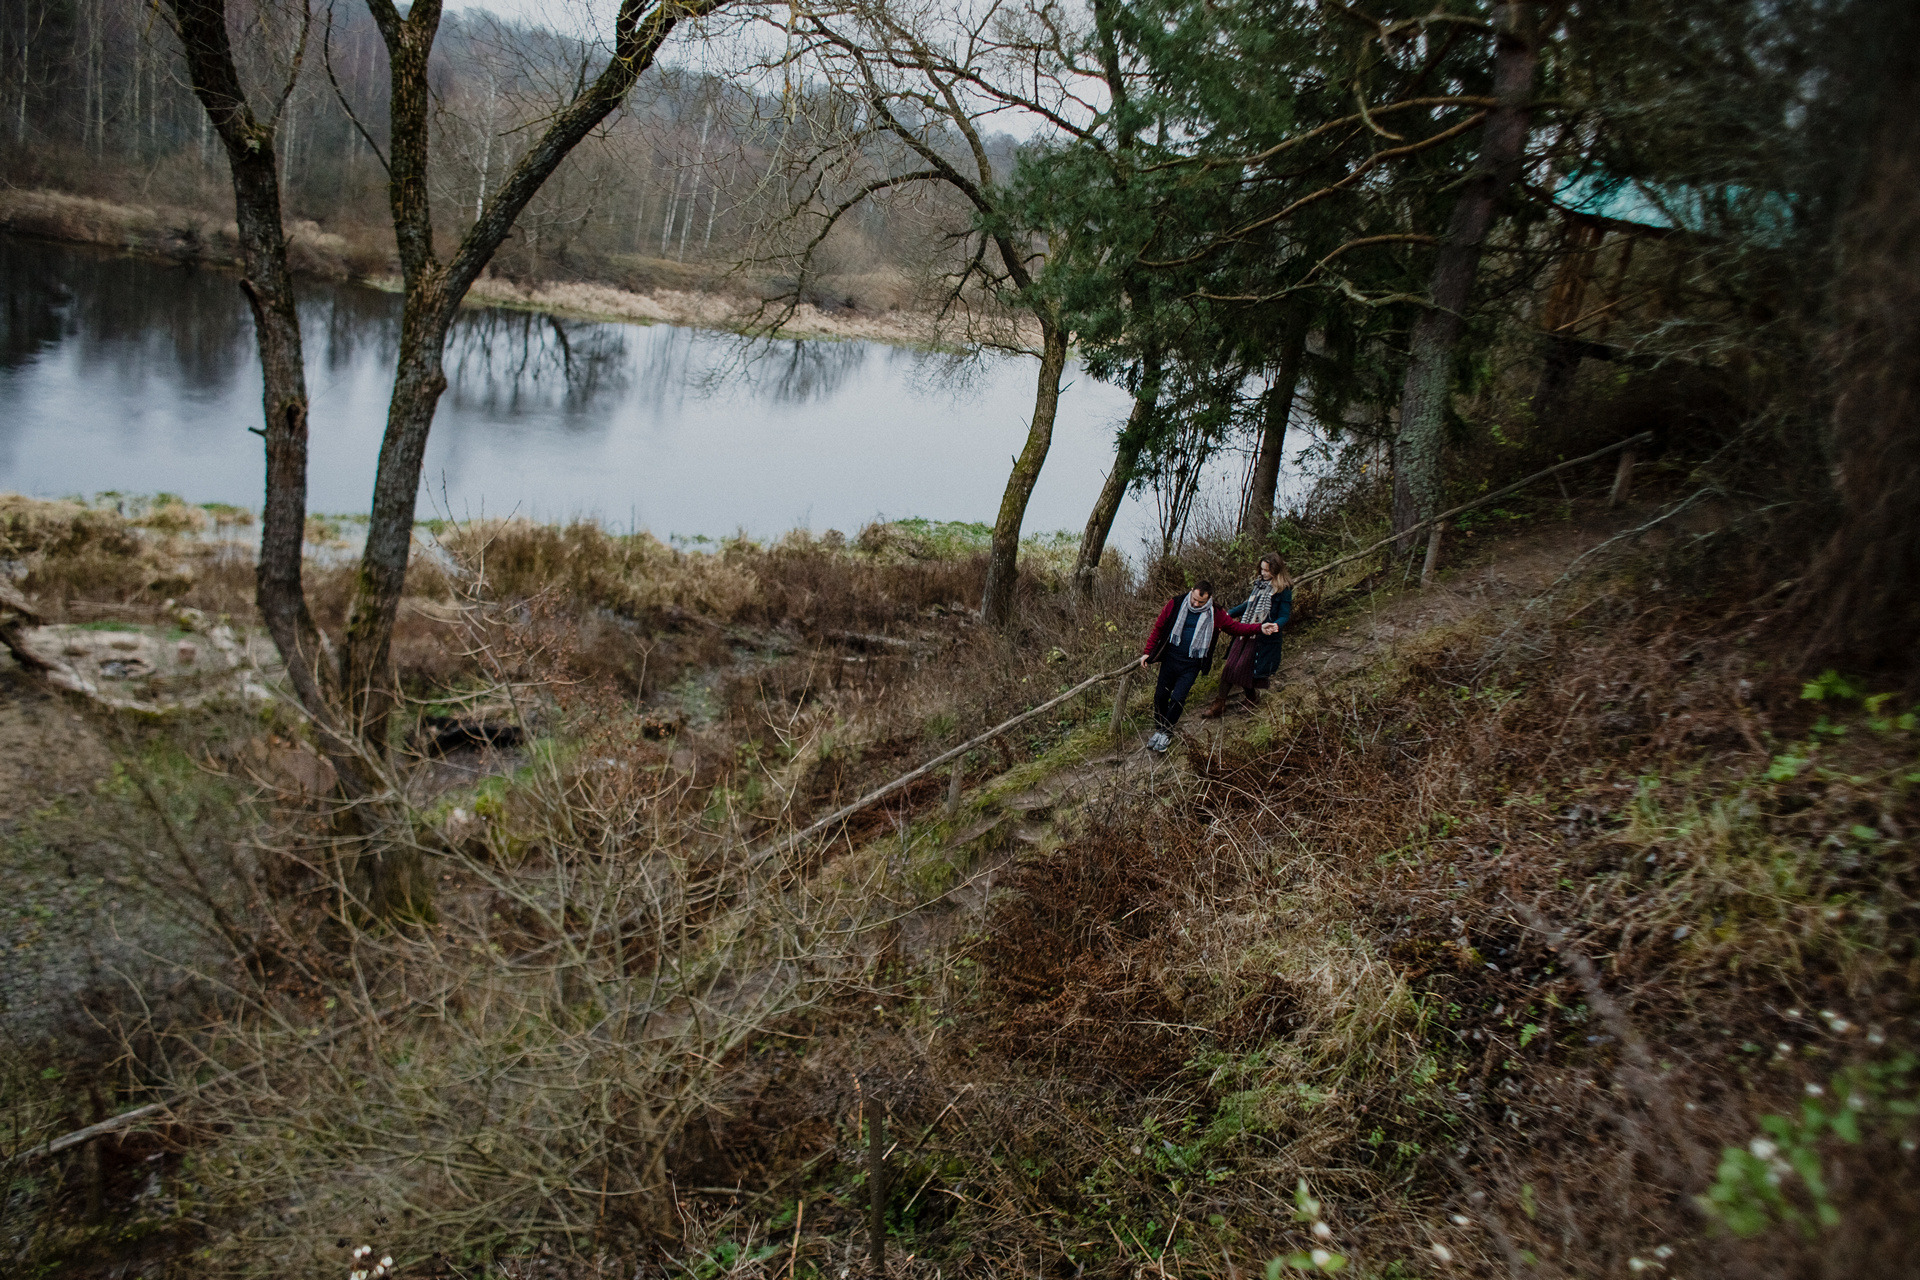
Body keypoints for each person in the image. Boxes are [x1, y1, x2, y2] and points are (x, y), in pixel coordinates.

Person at [1137, 581, 1279, 753]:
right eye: (1195, 599)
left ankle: (1166, 733)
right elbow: (1159, 628)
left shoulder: (1216, 613)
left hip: (1192, 664)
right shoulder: (1175, 603)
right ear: (1191, 591)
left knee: (1177, 698)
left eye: (1201, 602)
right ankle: (1159, 729)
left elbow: (1236, 628)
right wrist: (1147, 651)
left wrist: (1259, 628)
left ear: (1209, 598)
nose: (1196, 604)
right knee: (1160, 696)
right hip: (1170, 659)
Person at [1201, 553, 1294, 718]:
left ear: (1276, 570)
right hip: (1245, 630)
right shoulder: (1259, 585)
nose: (1263, 573)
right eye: (1262, 569)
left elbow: (1284, 615)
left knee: (1244, 668)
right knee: (1231, 666)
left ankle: (1251, 697)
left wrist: (1276, 625)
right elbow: (1248, 605)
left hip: (1263, 635)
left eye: (1267, 571)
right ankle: (1220, 703)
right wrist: (1229, 615)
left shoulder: (1283, 590)